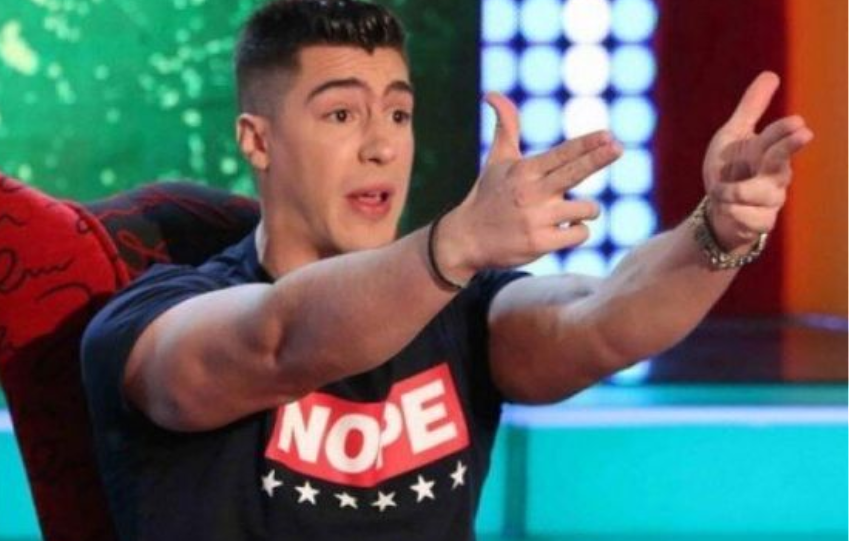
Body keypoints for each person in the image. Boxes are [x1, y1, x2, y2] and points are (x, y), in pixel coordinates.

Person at [80, 0, 813, 539]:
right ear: (258, 141)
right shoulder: (152, 318)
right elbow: (278, 340)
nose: (381, 146)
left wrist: (716, 232)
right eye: (342, 115)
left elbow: (601, 318)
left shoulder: (465, 310)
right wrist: (451, 247)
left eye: (398, 115)